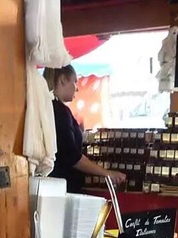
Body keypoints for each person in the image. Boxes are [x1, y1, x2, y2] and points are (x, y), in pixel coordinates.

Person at [44, 65, 125, 193]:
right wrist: (107, 173)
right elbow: (72, 157)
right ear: (63, 80)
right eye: (74, 82)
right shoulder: (59, 111)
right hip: (63, 188)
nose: (77, 88)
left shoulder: (48, 108)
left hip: (53, 185)